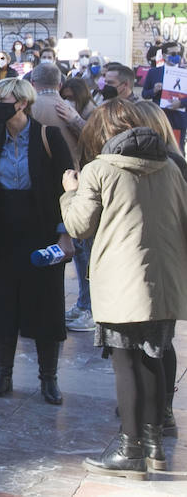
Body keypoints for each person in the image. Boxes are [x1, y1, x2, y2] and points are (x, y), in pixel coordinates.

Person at [62, 101, 187, 478]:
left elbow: (78, 225)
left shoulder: (100, 169)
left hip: (120, 282)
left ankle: (129, 449)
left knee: (126, 364)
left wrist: (69, 191)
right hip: (165, 282)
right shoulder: (172, 168)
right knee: (154, 357)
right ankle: (154, 447)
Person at [0, 77, 73, 406]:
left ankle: (48, 377)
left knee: (46, 305)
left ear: (21, 102)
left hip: (41, 230)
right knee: (2, 302)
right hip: (2, 229)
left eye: (1, 100)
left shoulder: (48, 136)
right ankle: (2, 372)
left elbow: (68, 187)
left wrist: (65, 234)